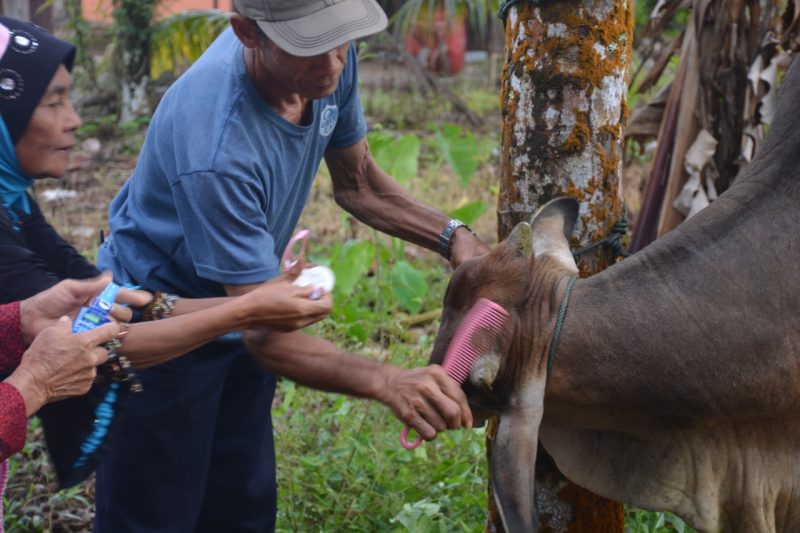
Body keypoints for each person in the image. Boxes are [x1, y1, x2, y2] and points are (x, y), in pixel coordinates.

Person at [96, 0, 490, 530]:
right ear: (247, 33)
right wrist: (387, 380)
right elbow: (265, 334)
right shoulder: (217, 146)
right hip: (159, 322)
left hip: (248, 297)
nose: (332, 63)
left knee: (240, 508)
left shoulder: (329, 60)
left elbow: (359, 183)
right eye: (309, 45)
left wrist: (455, 238)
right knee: (157, 512)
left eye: (340, 41)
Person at [0, 15, 332, 486]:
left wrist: (258, 300)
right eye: (52, 102)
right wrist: (246, 310)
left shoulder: (13, 203)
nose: (73, 120)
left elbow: (104, 299)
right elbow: (98, 341)